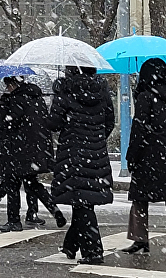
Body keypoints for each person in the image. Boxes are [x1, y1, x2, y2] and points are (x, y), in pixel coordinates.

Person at [48, 66, 114, 265]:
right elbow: (109, 121)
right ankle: (71, 245)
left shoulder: (66, 90)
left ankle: (93, 252)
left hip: (73, 152)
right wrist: (96, 140)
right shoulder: (102, 90)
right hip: (96, 152)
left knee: (82, 202)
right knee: (85, 200)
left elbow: (54, 124)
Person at [0, 76, 66, 231]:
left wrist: (2, 148)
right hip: (35, 151)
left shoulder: (10, 101)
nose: (7, 89)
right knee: (31, 183)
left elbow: (0, 126)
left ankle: (12, 220)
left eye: (8, 86)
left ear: (13, 85)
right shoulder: (37, 99)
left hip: (15, 151)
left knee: (11, 184)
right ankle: (53, 210)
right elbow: (43, 125)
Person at [122, 58, 166, 256]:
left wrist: (131, 156)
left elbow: (139, 128)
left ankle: (140, 239)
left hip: (148, 154)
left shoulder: (145, 96)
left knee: (140, 198)